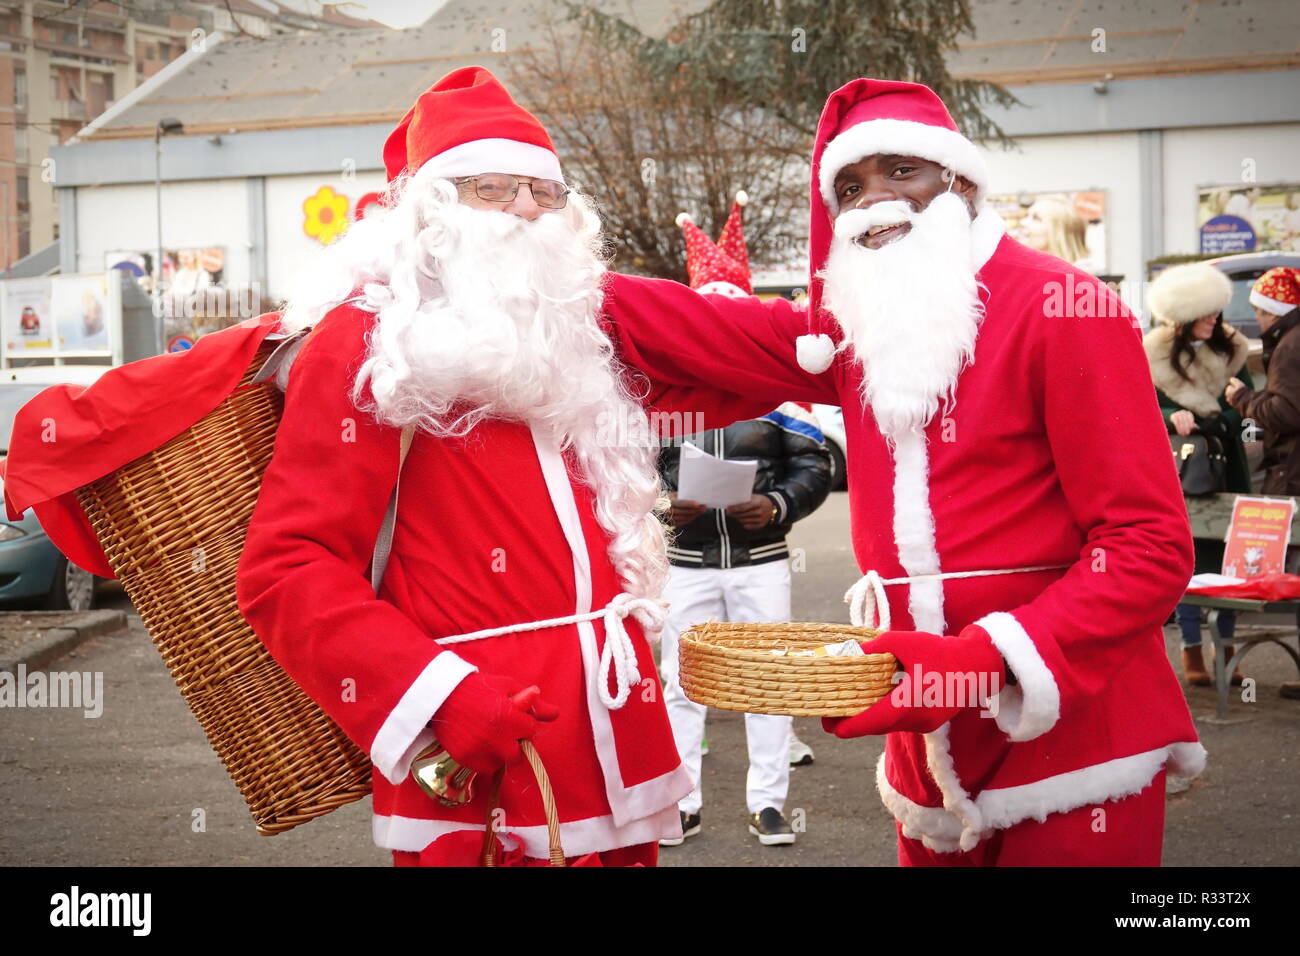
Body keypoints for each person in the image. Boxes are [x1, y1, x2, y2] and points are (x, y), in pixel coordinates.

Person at [598, 77, 1205, 866]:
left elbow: (1147, 547)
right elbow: (699, 331)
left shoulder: (1064, 308)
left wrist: (981, 661)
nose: (874, 201)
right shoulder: (857, 334)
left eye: (901, 172)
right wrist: (530, 273)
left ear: (959, 182)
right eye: (849, 187)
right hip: (924, 743)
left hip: (1075, 739)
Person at [234, 66, 765, 867]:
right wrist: (441, 696)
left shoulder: (569, 332)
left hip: (609, 728)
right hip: (484, 747)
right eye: (493, 189)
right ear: (431, 212)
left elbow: (744, 360)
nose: (526, 210)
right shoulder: (366, 343)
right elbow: (288, 567)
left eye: (544, 194)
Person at [656, 192, 833, 847]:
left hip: (761, 560)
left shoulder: (781, 390)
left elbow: (817, 467)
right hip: (686, 560)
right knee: (681, 682)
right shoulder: (665, 389)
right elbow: (631, 472)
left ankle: (768, 803)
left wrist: (779, 505)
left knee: (767, 681)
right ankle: (682, 802)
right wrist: (661, 507)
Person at [1144, 263, 1253, 687]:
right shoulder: (1151, 353)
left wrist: (1224, 417)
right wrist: (1173, 416)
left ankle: (1225, 647)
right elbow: (1140, 407)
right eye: (1206, 312)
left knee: (1228, 558)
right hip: (1181, 470)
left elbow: (1246, 406)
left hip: (1228, 468)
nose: (1215, 320)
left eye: (1216, 312)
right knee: (1186, 559)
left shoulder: (1233, 350)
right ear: (1183, 314)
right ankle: (1191, 646)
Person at [1226, 267, 1300, 495]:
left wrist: (1241, 398)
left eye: (1258, 310)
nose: (1256, 318)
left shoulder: (1289, 347)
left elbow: (1286, 413)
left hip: (1292, 471)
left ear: (1274, 313)